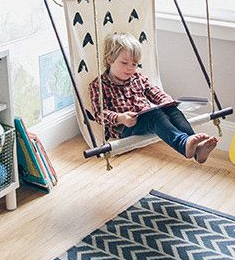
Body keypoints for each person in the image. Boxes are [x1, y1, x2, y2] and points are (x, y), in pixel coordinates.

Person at [89, 33, 218, 163]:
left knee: (171, 110)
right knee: (155, 115)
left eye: (134, 64)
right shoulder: (98, 85)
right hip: (126, 126)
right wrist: (120, 118)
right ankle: (184, 143)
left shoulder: (138, 78)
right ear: (109, 59)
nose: (130, 68)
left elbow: (154, 92)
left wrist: (166, 101)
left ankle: (196, 148)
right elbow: (99, 114)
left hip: (146, 117)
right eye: (124, 63)